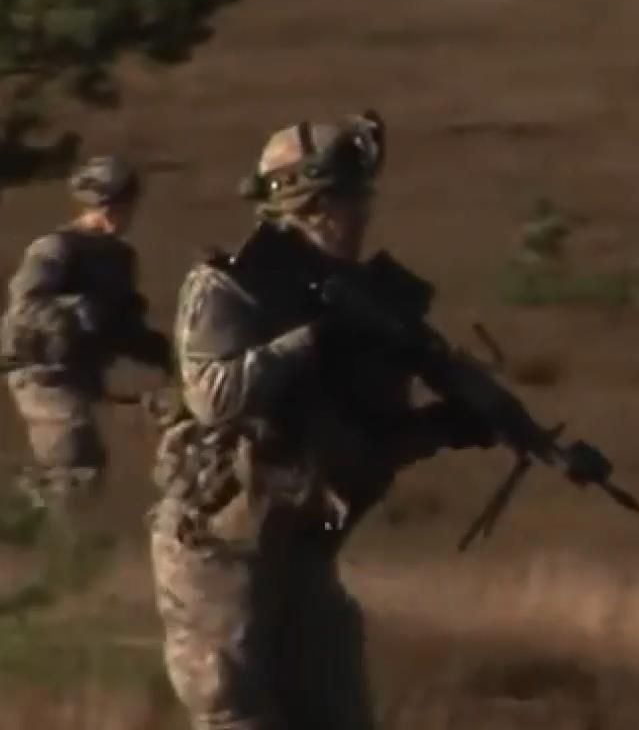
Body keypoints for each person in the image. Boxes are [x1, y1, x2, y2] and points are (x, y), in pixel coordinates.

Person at [148, 114, 499, 730]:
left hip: (303, 543)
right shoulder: (231, 288)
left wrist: (444, 427)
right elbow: (214, 397)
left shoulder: (369, 304)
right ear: (303, 204)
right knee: (236, 709)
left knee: (335, 710)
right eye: (341, 203)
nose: (358, 217)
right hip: (221, 545)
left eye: (358, 200)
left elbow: (368, 442)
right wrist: (311, 339)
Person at [1, 155, 169, 509]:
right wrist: (79, 312)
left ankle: (35, 515)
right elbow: (25, 308)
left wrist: (161, 352)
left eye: (122, 205)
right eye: (110, 205)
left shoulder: (119, 257)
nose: (118, 214)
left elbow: (123, 324)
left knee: (87, 467)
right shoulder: (56, 248)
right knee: (74, 463)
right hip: (43, 371)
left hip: (83, 370)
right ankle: (38, 526)